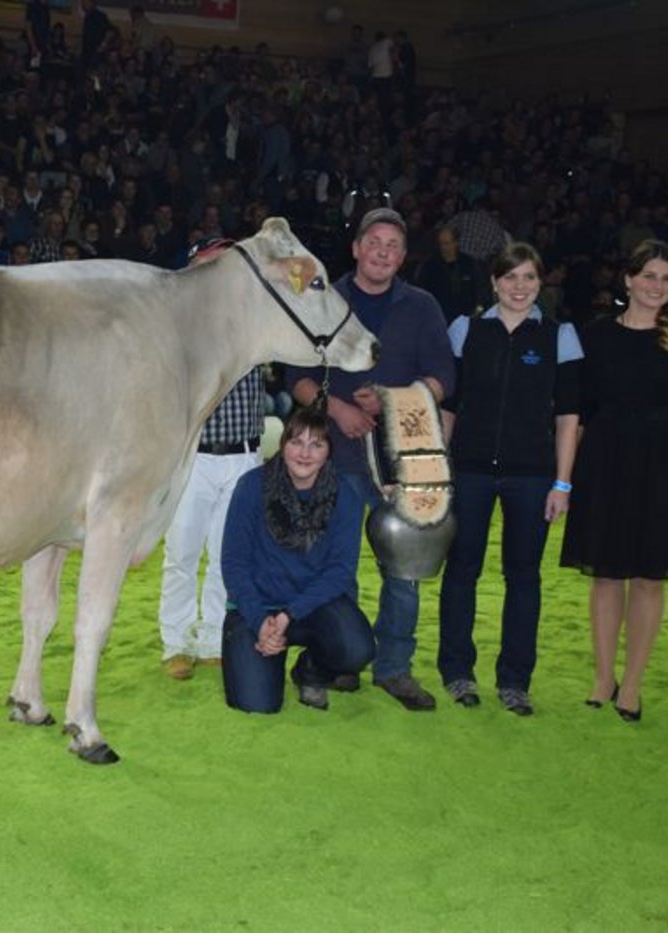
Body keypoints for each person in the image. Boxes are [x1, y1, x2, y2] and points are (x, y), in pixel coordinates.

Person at [286, 207, 454, 710]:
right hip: (335, 457)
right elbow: (294, 374)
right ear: (357, 248)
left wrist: (391, 399)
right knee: (333, 565)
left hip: (406, 459)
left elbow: (444, 377)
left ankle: (394, 668)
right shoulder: (324, 299)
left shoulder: (422, 307)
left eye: (393, 246)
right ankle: (340, 657)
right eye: (374, 242)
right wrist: (335, 407)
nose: (383, 252)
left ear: (403, 257)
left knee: (403, 568)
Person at [560, 239, 668, 722]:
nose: (657, 287)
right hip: (602, 464)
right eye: (649, 276)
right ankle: (604, 677)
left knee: (649, 579)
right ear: (627, 279)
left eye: (667, 279)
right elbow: (578, 415)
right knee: (606, 575)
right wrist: (564, 480)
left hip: (664, 469)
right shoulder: (595, 336)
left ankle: (634, 683)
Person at [437, 243, 583, 715]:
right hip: (471, 472)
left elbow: (568, 418)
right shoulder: (464, 330)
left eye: (529, 278)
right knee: (462, 573)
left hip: (533, 476)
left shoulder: (561, 337)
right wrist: (439, 469)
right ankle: (457, 673)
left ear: (541, 283)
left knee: (524, 578)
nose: (519, 287)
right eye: (510, 277)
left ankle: (514, 680)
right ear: (494, 282)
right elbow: (449, 407)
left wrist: (562, 483)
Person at [157, 236, 265, 679]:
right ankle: (176, 642)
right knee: (181, 551)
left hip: (244, 455)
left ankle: (212, 637)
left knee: (227, 555)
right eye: (206, 265)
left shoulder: (258, 322)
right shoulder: (176, 329)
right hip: (193, 456)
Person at [220, 407, 374, 713]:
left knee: (357, 650)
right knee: (257, 704)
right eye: (296, 442)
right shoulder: (252, 486)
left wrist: (289, 615)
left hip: (312, 606)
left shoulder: (345, 494)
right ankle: (269, 651)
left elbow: (340, 572)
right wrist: (260, 622)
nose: (305, 453)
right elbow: (234, 565)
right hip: (257, 607)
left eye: (316, 444)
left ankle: (310, 670)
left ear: (329, 451)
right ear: (282, 444)